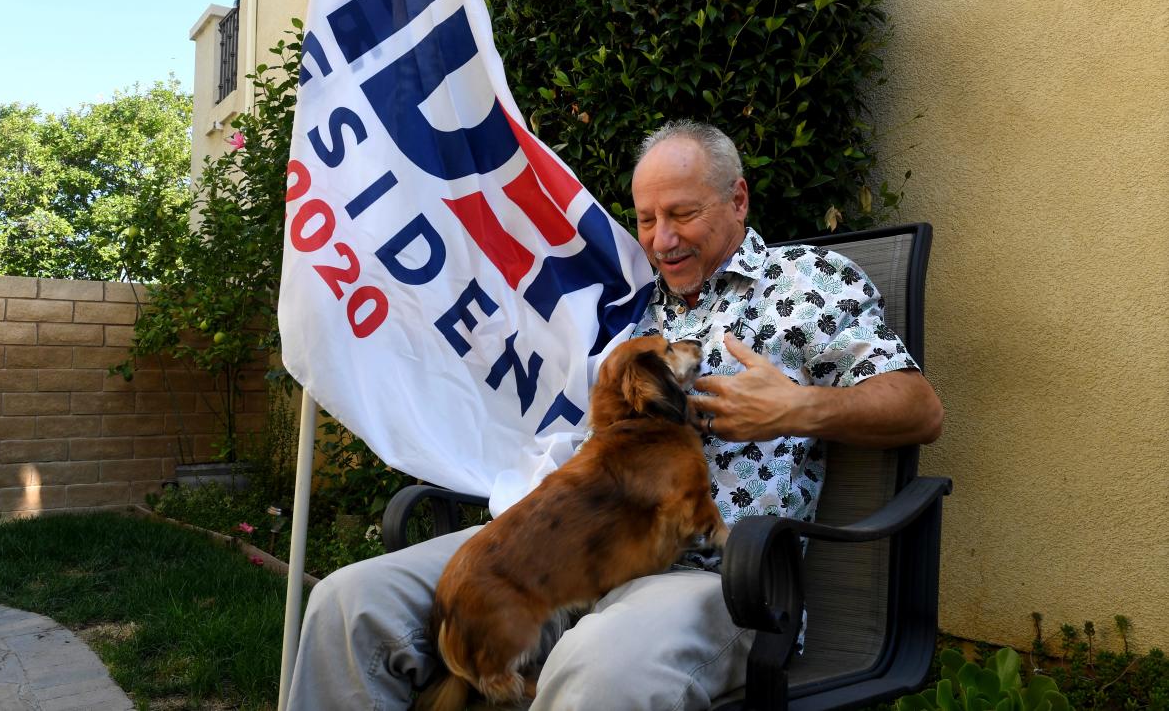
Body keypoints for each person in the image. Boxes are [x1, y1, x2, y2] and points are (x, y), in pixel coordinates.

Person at [286, 120, 943, 710]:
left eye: (682, 213)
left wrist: (797, 407)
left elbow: (919, 408)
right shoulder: (619, 293)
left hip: (711, 576)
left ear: (738, 200)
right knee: (350, 606)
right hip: (559, 537)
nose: (662, 238)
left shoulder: (810, 285)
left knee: (597, 672)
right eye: (647, 217)